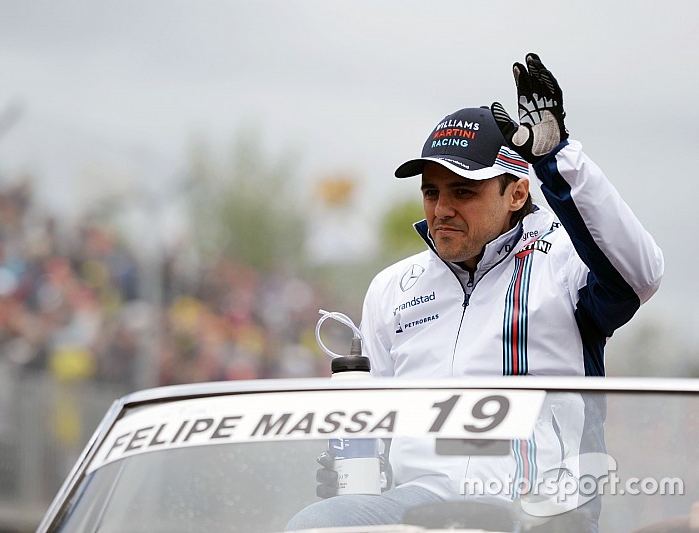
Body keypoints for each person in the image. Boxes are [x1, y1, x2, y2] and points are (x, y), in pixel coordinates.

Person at [285, 53, 664, 530]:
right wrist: (362, 467)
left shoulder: (565, 262)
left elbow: (642, 275)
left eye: (463, 192)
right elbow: (375, 427)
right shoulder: (391, 288)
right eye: (431, 191)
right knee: (317, 523)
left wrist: (556, 158)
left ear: (517, 194)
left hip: (541, 507)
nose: (441, 207)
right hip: (418, 504)